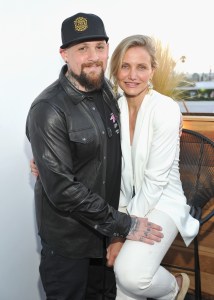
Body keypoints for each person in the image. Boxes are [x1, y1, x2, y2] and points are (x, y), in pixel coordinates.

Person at [26, 13, 164, 300]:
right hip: (70, 244)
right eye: (82, 49)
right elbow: (63, 190)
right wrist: (126, 225)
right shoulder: (48, 109)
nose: (93, 57)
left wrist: (168, 121)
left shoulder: (106, 92)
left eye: (99, 47)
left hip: (105, 236)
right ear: (64, 54)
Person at [106, 34, 200, 300]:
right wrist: (47, 163)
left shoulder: (165, 109)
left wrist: (122, 232)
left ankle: (173, 287)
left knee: (130, 275)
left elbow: (155, 181)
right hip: (130, 203)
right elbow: (114, 170)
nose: (132, 75)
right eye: (125, 66)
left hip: (163, 201)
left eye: (141, 67)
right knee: (125, 280)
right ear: (116, 69)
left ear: (152, 71)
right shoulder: (115, 108)